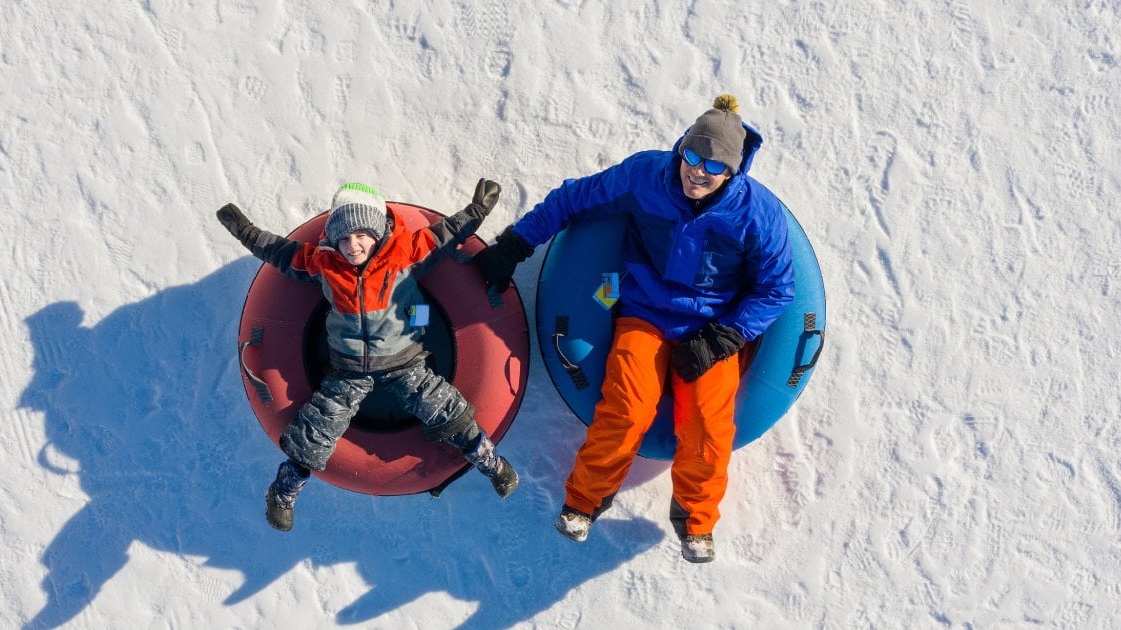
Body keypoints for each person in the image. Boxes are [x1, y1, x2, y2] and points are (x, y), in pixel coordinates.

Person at [473, 95, 795, 563]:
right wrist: (515, 245)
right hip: (644, 314)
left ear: (733, 171)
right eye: (691, 155)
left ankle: (696, 521)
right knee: (627, 408)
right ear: (680, 146)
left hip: (712, 327)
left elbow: (778, 287)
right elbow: (574, 198)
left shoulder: (756, 213)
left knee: (707, 423)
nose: (697, 172)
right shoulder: (647, 175)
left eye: (713, 166)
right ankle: (584, 502)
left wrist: (723, 337)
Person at [217, 180, 520, 531]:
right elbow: (279, 254)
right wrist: (244, 230)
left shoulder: (404, 254)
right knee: (318, 428)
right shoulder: (323, 264)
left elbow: (445, 235)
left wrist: (478, 210)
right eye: (344, 238)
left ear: (377, 232)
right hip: (347, 371)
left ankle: (491, 464)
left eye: (361, 235)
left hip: (404, 363)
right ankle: (283, 492)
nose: (353, 245)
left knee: (445, 407)